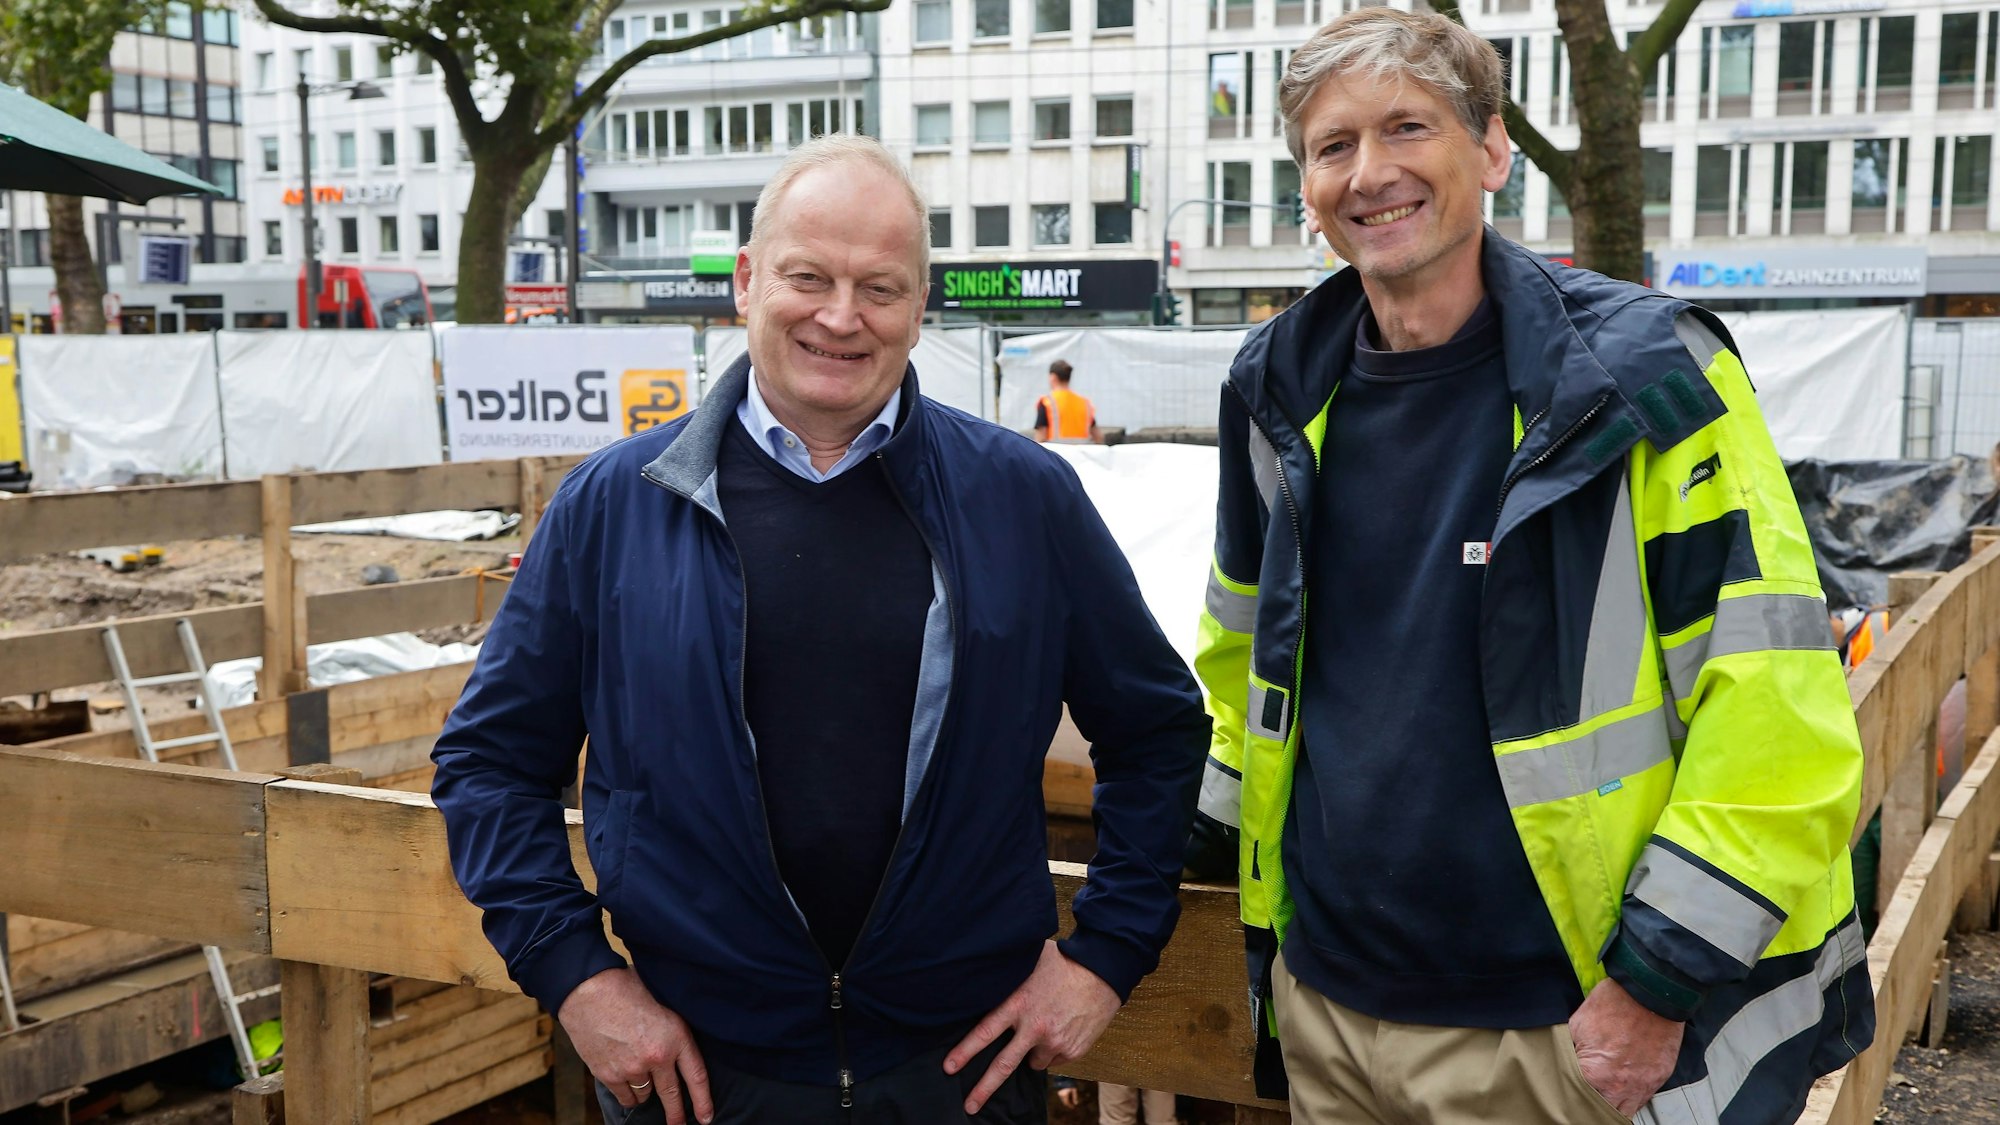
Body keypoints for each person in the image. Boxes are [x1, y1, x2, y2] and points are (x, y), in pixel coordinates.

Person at [432, 135, 1209, 1125]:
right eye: (809, 277)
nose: (841, 317)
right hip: (698, 1080)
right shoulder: (612, 508)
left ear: (918, 307)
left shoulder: (1022, 501)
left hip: (955, 1076)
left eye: (880, 288)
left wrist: (1106, 953)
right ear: (748, 281)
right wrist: (576, 976)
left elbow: (1156, 732)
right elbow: (488, 762)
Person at [1189, 10, 1873, 1124]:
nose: (1368, 174)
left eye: (1406, 128)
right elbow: (1239, 659)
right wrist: (1200, 842)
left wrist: (1655, 980)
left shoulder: (1646, 378)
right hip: (1329, 1013)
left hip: (1557, 1032)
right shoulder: (1276, 383)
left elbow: (1775, 713)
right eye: (1330, 145)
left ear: (1492, 151)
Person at [1034, 360, 1101, 444]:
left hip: (1057, 454)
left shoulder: (1047, 402)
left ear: (1053, 377)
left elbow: (1041, 437)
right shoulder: (1084, 403)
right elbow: (1098, 437)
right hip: (1081, 455)